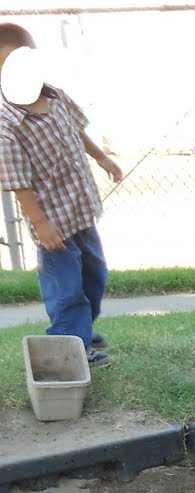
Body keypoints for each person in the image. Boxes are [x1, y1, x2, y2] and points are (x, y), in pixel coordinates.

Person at [0, 32, 122, 368]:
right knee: (67, 291)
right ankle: (71, 347)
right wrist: (40, 223)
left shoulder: (57, 97)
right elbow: (17, 182)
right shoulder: (7, 123)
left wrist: (102, 159)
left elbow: (79, 133)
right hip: (53, 226)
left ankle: (79, 332)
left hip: (81, 214)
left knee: (95, 277)